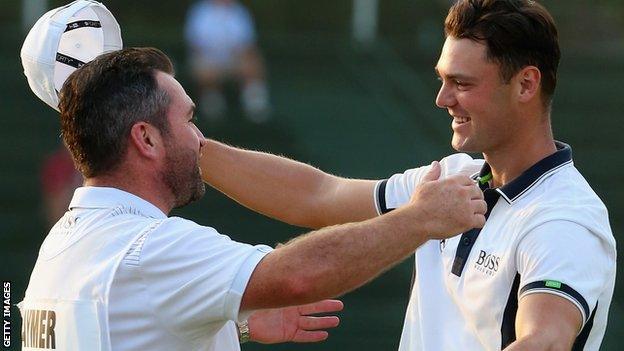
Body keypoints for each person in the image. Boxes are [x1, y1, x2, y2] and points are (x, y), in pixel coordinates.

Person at [198, 1, 616, 350]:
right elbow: (318, 194)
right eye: (441, 80)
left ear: (526, 85)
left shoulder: (564, 218)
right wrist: (188, 149)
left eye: (461, 83)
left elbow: (545, 339)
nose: (442, 98)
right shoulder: (450, 179)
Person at [19, 46, 486, 350]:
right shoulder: (148, 250)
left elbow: (132, 326)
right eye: (189, 120)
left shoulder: (61, 245)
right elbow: (300, 277)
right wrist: (419, 219)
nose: (200, 138)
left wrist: (231, 325)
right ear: (146, 139)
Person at [185, 0, 270, 122]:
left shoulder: (240, 11)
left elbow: (247, 45)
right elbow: (196, 45)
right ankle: (213, 106)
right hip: (209, 60)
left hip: (235, 60)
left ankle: (255, 106)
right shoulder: (200, 11)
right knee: (202, 67)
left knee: (253, 62)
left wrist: (237, 58)